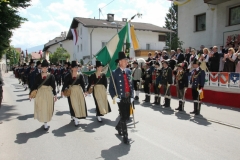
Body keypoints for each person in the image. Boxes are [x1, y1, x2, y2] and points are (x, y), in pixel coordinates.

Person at [109, 51, 134, 144]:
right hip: (121, 98)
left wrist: (132, 96)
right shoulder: (114, 72)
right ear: (120, 62)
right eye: (124, 60)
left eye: (126, 60)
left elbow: (132, 85)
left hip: (128, 97)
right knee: (123, 116)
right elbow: (111, 88)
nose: (126, 62)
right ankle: (125, 136)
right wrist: (115, 98)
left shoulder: (128, 71)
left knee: (127, 116)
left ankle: (118, 127)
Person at [29, 60, 57, 130]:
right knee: (42, 108)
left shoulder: (51, 76)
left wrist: (55, 95)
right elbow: (34, 85)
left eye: (46, 67)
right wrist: (30, 94)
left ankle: (46, 122)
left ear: (48, 68)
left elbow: (53, 86)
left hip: (48, 94)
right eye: (43, 67)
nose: (44, 69)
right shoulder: (38, 76)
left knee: (48, 108)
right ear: (41, 68)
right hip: (40, 94)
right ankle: (45, 122)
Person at [61, 61, 87, 127]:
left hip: (78, 91)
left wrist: (84, 91)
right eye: (75, 67)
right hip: (71, 91)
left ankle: (77, 116)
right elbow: (65, 84)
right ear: (72, 68)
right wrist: (62, 91)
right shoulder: (68, 75)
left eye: (77, 67)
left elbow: (83, 84)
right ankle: (75, 117)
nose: (76, 68)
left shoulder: (80, 75)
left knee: (78, 104)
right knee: (72, 104)